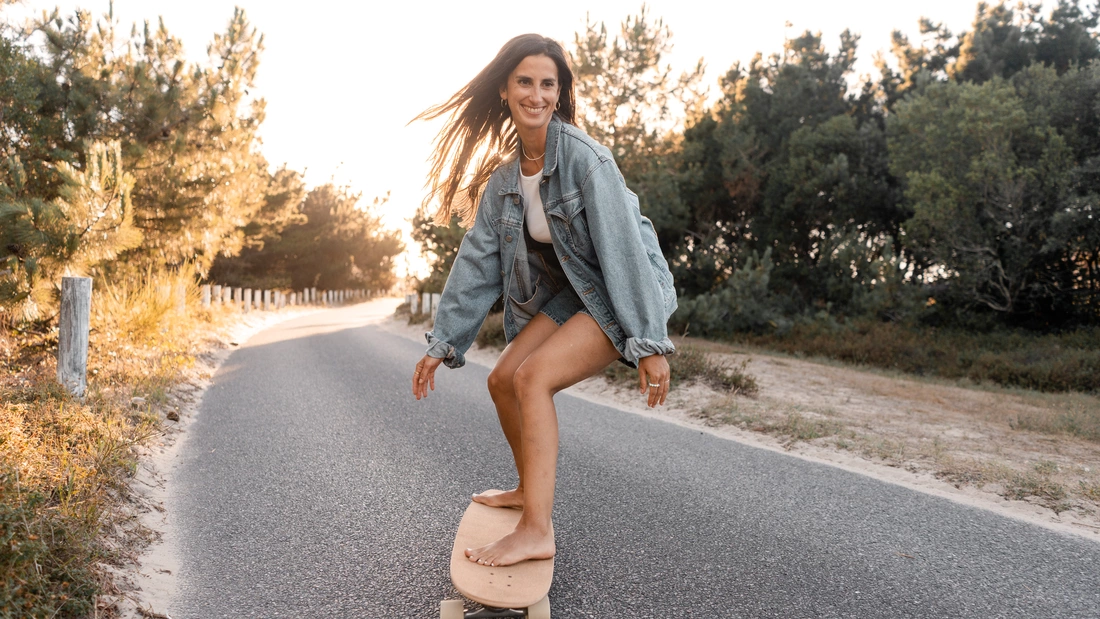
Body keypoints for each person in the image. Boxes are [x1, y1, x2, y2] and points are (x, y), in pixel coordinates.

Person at [410, 34, 677, 568]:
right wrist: (443, 342)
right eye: (525, 82)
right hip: (574, 293)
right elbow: (477, 262)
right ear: (506, 90)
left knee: (533, 379)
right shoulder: (505, 180)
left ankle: (537, 530)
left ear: (559, 92)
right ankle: (528, 491)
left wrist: (648, 341)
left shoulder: (585, 161)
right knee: (502, 378)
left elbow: (624, 250)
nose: (536, 94)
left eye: (547, 84)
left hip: (628, 291)